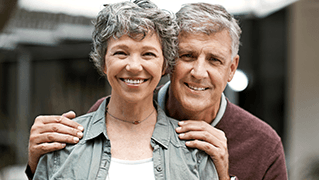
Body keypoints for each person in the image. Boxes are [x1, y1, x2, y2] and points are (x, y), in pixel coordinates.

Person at [26, 2, 288, 180]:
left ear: (232, 68)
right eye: (188, 55)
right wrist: (36, 163)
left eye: (214, 60)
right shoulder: (105, 115)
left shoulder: (263, 145)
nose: (198, 72)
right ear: (170, 61)